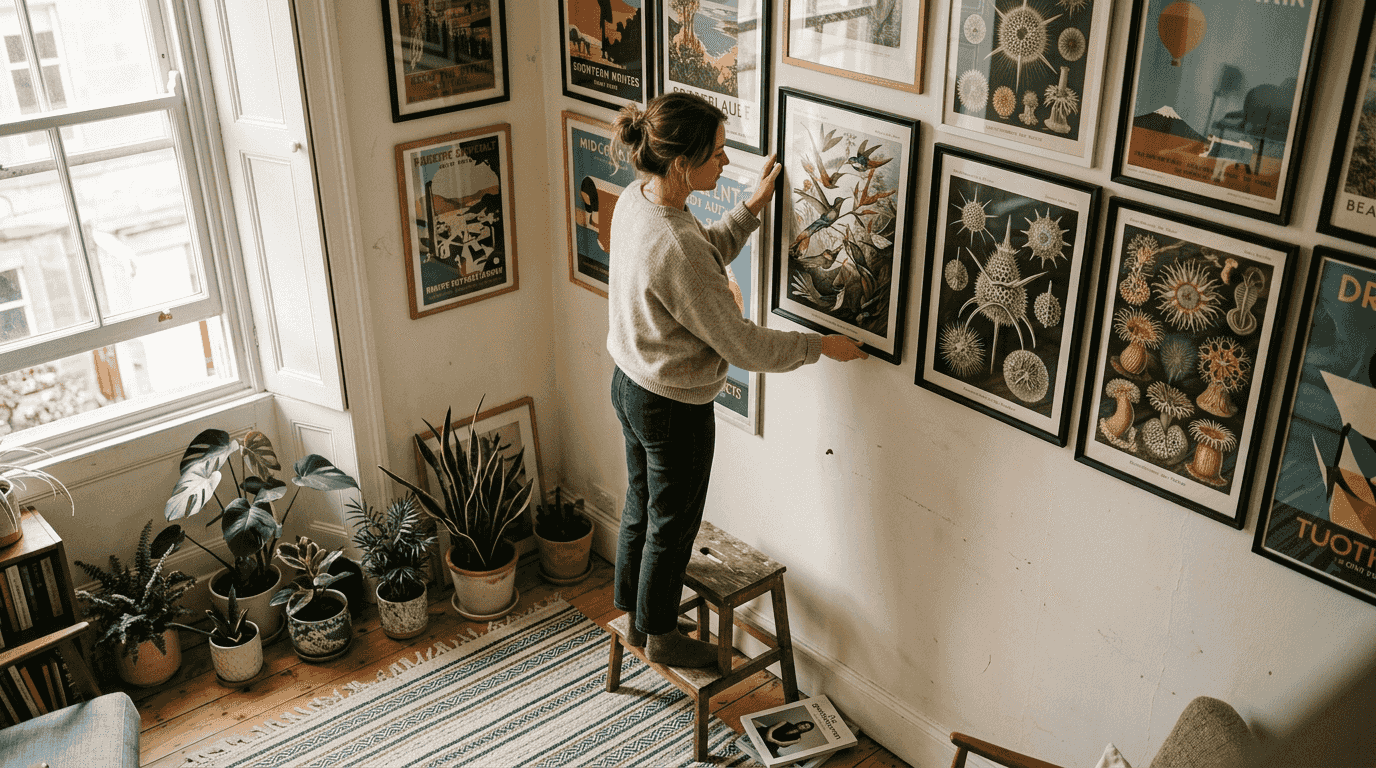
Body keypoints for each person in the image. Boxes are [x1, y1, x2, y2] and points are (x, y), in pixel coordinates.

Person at [607, 92, 868, 668]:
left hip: (628, 385)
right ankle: (660, 635)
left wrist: (749, 210)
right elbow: (744, 344)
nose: (726, 163)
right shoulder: (675, 242)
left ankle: (632, 609)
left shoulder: (639, 201)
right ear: (683, 164)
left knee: (640, 504)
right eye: (718, 154)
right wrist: (820, 345)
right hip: (671, 406)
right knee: (672, 525)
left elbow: (697, 259)